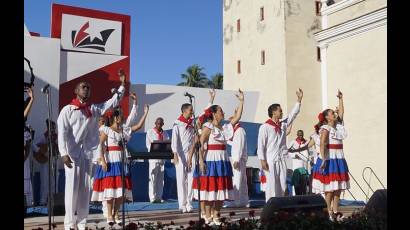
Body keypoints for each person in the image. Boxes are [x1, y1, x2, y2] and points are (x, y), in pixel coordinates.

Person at [57, 70, 126, 230]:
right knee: (71, 190)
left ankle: (82, 223)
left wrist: (122, 85)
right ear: (76, 91)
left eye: (88, 87)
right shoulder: (67, 110)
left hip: (88, 154)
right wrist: (63, 153)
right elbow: (62, 133)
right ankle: (69, 224)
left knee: (85, 190)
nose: (86, 89)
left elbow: (112, 102)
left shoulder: (93, 109)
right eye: (83, 87)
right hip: (72, 155)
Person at [92, 101, 149, 225]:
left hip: (121, 161)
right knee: (110, 191)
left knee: (120, 192)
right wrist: (103, 160)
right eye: (120, 116)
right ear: (115, 118)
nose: (122, 118)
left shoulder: (123, 130)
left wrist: (145, 113)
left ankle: (115, 213)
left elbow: (138, 126)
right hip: (111, 161)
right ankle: (109, 214)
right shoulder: (106, 129)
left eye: (122, 116)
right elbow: (101, 144)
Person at [193, 89, 244, 225]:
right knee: (211, 190)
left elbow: (237, 117)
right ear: (214, 114)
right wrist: (201, 161)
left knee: (221, 189)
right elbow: (201, 142)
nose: (223, 113)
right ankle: (208, 216)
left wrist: (241, 101)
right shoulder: (208, 126)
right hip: (211, 159)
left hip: (222, 160)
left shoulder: (225, 127)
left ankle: (216, 215)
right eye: (221, 111)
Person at [257, 89, 303, 201]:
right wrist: (262, 160)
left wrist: (299, 100)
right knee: (272, 184)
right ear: (273, 112)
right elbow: (261, 145)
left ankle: (281, 205)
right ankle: (270, 206)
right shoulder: (265, 127)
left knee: (283, 183)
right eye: (280, 110)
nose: (282, 112)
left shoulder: (282, 124)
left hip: (282, 158)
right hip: (270, 159)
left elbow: (292, 115)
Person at [311, 90, 349, 221]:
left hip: (339, 157)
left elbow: (342, 112)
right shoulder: (325, 128)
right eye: (332, 113)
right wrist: (323, 159)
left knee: (338, 187)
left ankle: (336, 210)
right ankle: (329, 212)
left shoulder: (338, 125)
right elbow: (322, 143)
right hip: (330, 158)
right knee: (329, 188)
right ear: (327, 117)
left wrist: (341, 98)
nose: (335, 113)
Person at [172, 103, 195, 213]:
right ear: (184, 111)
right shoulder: (177, 123)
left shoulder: (192, 123)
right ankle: (182, 204)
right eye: (190, 110)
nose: (192, 112)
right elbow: (174, 139)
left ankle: (189, 203)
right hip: (180, 155)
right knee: (181, 179)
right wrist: (175, 154)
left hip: (190, 154)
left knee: (191, 179)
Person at [224, 109, 248, 208]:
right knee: (241, 181)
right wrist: (227, 141)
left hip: (238, 159)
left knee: (237, 180)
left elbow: (239, 146)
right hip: (238, 158)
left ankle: (236, 201)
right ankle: (243, 201)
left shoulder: (239, 131)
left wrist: (236, 160)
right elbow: (235, 144)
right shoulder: (237, 131)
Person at [146, 117, 170, 203]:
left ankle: (159, 197)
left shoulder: (166, 133)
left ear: (163, 124)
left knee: (160, 179)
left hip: (162, 158)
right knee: (153, 178)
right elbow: (148, 145)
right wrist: (157, 148)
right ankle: (152, 198)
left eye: (161, 124)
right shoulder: (150, 132)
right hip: (153, 158)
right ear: (155, 123)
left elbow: (168, 144)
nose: (159, 125)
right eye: (157, 123)